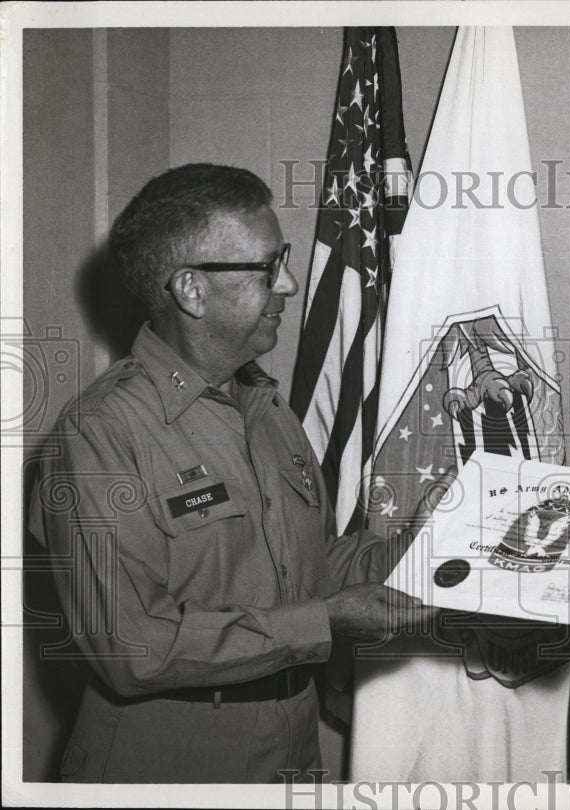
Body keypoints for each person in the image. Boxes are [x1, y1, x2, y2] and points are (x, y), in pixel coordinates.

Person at [28, 163, 435, 783]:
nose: (291, 285)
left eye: (286, 259)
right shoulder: (99, 434)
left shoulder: (267, 410)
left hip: (291, 754)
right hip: (166, 763)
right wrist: (325, 622)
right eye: (269, 267)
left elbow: (312, 566)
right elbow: (130, 648)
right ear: (191, 290)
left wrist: (430, 545)